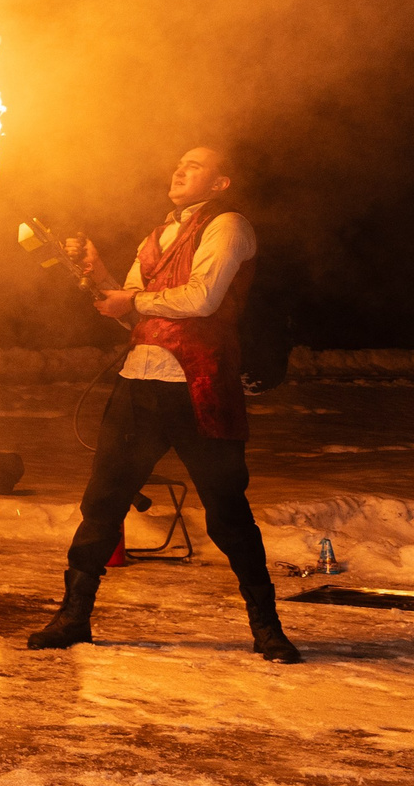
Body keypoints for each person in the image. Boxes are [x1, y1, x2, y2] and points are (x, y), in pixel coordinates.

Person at [30, 146, 298, 662]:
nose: (179, 170)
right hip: (139, 382)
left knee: (226, 513)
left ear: (220, 183)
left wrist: (130, 299)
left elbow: (201, 299)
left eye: (194, 165)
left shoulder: (229, 226)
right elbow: (132, 314)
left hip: (200, 387)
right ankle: (73, 617)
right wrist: (100, 275)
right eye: (179, 163)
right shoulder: (154, 238)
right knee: (102, 503)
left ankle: (267, 627)